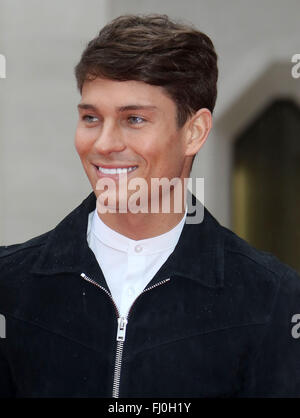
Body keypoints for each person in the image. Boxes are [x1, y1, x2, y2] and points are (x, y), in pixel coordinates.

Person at [0, 13, 300, 398]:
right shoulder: (10, 287)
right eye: (91, 117)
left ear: (194, 132)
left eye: (134, 119)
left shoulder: (273, 301)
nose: (104, 144)